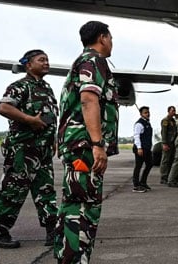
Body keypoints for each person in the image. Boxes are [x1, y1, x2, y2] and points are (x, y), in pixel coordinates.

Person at [54, 21, 119, 264]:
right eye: (110, 38)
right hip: (84, 147)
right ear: (102, 38)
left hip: (78, 145)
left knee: (74, 205)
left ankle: (66, 257)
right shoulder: (94, 61)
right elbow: (89, 100)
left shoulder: (83, 61)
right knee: (82, 209)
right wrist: (97, 143)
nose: (112, 43)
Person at [0, 49, 58, 249]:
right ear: (28, 64)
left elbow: (49, 117)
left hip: (43, 150)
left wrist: (52, 140)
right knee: (13, 190)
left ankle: (52, 231)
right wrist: (29, 120)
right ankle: (0, 233)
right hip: (22, 150)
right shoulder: (19, 86)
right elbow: (4, 108)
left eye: (47, 60)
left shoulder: (46, 88)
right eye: (41, 60)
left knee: (46, 191)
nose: (46, 63)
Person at [132, 106, 153, 192]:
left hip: (147, 148)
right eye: (145, 112)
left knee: (150, 164)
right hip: (140, 148)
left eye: (148, 112)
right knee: (138, 166)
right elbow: (137, 136)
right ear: (141, 114)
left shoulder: (147, 123)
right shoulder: (139, 124)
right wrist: (139, 148)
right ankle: (136, 185)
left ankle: (143, 182)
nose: (147, 114)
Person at [160, 106, 178, 184]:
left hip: (172, 143)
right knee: (165, 160)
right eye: (172, 111)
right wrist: (164, 143)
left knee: (171, 160)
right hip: (167, 142)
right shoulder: (165, 120)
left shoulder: (173, 121)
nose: (173, 112)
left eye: (174, 111)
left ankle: (169, 176)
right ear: (168, 111)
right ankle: (163, 177)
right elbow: (164, 133)